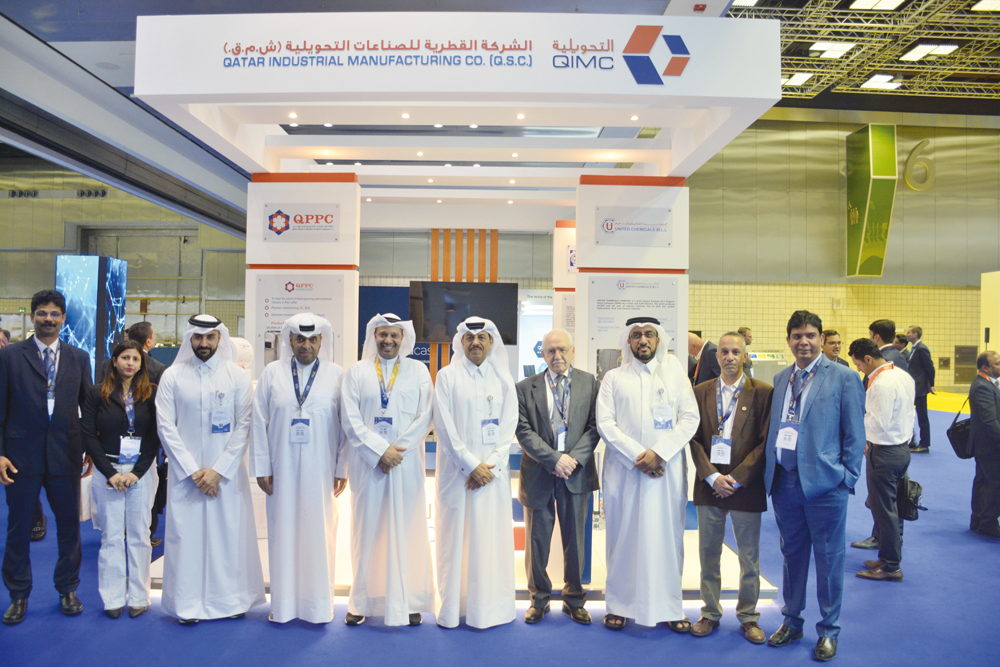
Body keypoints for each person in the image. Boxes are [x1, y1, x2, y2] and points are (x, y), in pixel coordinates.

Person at [764, 311, 865, 662]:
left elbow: (855, 434)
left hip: (825, 486)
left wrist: (847, 478)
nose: (803, 342)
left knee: (829, 558)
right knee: (792, 557)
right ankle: (792, 621)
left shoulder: (844, 378)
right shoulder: (780, 379)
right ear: (788, 340)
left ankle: (829, 630)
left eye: (810, 335)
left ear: (821, 339)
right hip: (785, 483)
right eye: (796, 336)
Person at [155, 314, 264, 624]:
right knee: (186, 539)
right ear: (190, 339)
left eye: (210, 337)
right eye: (198, 338)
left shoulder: (237, 377)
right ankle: (186, 605)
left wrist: (217, 471)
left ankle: (231, 602)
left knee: (228, 537)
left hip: (226, 478)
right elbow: (166, 427)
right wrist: (193, 472)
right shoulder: (173, 376)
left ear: (220, 339)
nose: (204, 343)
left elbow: (244, 426)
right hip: (184, 477)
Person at [597, 316, 700, 632]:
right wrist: (639, 457)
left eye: (649, 335)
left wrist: (660, 454)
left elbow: (690, 419)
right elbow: (605, 423)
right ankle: (619, 605)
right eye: (637, 335)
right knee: (623, 536)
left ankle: (669, 606)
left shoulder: (676, 376)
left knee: (667, 538)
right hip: (624, 472)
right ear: (628, 342)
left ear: (659, 340)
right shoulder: (613, 378)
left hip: (665, 472)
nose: (643, 340)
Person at [0, 290, 92, 625]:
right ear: (32, 316)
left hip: (65, 454)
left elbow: (89, 408)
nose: (48, 319)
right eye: (42, 313)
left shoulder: (78, 358)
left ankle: (67, 588)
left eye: (54, 314)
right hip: (19, 455)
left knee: (69, 527)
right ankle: (18, 595)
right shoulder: (10, 357)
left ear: (63, 318)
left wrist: (90, 449)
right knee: (18, 528)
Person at [250, 313, 348, 624]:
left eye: (313, 339)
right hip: (281, 470)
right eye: (300, 339)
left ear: (322, 341)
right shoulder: (271, 373)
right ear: (289, 340)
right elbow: (258, 422)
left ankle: (318, 606)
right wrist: (262, 466)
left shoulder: (336, 375)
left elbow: (345, 427)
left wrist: (341, 467)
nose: (306, 345)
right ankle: (284, 606)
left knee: (320, 534)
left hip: (322, 470)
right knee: (283, 533)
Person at [341, 313, 434, 627]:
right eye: (383, 335)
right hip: (369, 466)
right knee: (367, 533)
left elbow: (425, 417)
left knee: (407, 531)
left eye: (394, 335)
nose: (388, 340)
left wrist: (396, 452)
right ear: (374, 337)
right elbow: (350, 419)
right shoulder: (356, 372)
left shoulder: (418, 371)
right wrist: (380, 450)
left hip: (405, 466)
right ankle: (361, 601)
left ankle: (408, 602)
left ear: (403, 338)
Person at [433, 316, 517, 629]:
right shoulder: (447, 376)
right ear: (460, 343)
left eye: (482, 337)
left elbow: (509, 429)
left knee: (490, 542)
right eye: (469, 338)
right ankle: (454, 609)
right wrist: (471, 464)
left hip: (492, 479)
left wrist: (489, 466)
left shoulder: (503, 379)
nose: (476, 343)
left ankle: (491, 609)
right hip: (458, 477)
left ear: (492, 342)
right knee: (455, 542)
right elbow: (443, 426)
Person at [688, 332, 772, 643]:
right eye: (724, 351)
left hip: (745, 487)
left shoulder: (763, 393)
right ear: (716, 356)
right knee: (708, 554)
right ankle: (710, 613)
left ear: (745, 355)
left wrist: (736, 478)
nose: (729, 357)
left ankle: (749, 617)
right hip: (709, 486)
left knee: (749, 558)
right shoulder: (700, 392)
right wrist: (711, 476)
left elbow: (765, 443)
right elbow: (692, 438)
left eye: (736, 351)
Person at [515, 329, 599, 625]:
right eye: (550, 351)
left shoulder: (590, 383)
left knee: (575, 541)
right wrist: (554, 459)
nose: (557, 356)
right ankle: (538, 599)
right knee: (536, 541)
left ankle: (574, 599)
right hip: (539, 472)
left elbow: (595, 426)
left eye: (562, 350)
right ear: (542, 354)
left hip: (575, 473)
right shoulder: (525, 387)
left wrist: (572, 459)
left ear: (573, 351)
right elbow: (522, 430)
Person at [82, 340, 160, 618]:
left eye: (135, 359)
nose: (130, 363)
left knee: (139, 534)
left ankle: (140, 596)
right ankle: (113, 598)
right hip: (108, 471)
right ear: (114, 361)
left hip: (141, 472)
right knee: (112, 537)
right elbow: (89, 435)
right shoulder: (96, 393)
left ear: (142, 364)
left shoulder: (149, 394)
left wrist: (136, 473)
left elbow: (154, 437)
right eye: (125, 357)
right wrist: (111, 473)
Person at [848, 339, 913, 582]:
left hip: (884, 452)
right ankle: (887, 557)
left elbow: (878, 422)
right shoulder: (902, 375)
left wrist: (855, 419)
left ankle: (890, 566)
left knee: (885, 511)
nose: (860, 370)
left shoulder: (880, 384)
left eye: (859, 365)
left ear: (867, 358)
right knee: (892, 508)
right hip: (900, 449)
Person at [968, 351, 1000, 538]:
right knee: (995, 484)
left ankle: (978, 519)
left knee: (982, 482)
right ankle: (988, 524)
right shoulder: (982, 386)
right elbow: (989, 422)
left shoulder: (987, 384)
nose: (999, 366)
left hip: (985, 445)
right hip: (989, 446)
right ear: (985, 367)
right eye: (997, 364)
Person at [99, 322, 167, 386]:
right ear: (148, 342)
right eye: (154, 335)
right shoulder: (158, 369)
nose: (130, 363)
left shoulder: (107, 364)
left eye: (135, 359)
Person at [905, 326, 935, 454]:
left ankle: (924, 444)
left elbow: (930, 367)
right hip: (914, 387)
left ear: (915, 334)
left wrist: (932, 384)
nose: (906, 334)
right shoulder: (914, 349)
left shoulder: (922, 349)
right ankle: (911, 441)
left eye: (909, 332)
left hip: (920, 388)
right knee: (909, 415)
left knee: (922, 417)